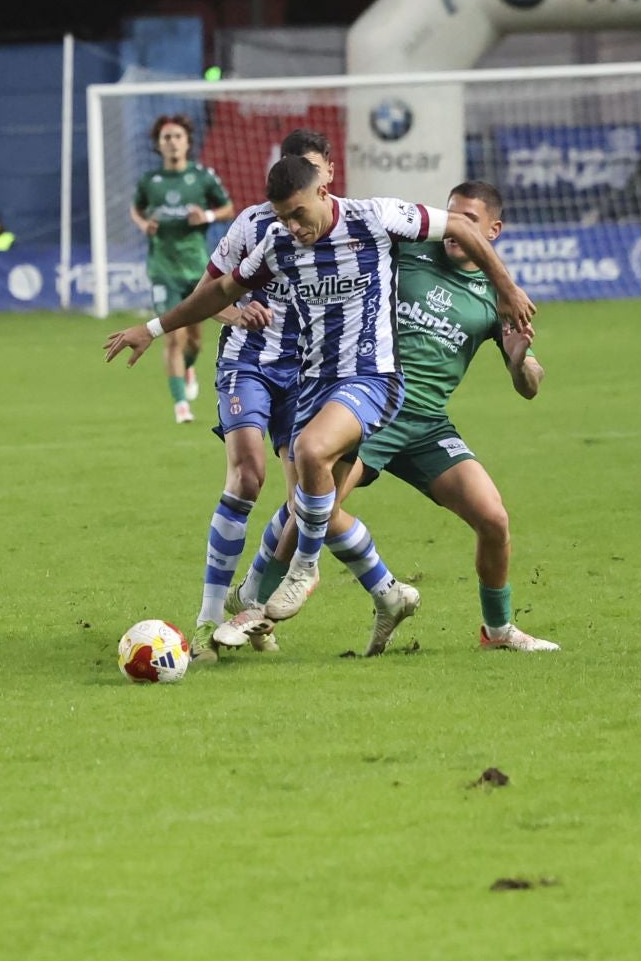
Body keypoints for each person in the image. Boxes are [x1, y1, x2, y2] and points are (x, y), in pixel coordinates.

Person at [106, 155, 534, 655]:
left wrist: (507, 291)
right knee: (309, 502)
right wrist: (153, 328)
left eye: (298, 213)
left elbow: (464, 231)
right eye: (282, 215)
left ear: (324, 190)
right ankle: (284, 599)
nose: (292, 226)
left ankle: (304, 576)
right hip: (317, 385)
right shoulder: (287, 243)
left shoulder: (378, 219)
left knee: (316, 458)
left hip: (379, 385)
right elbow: (220, 291)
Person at [221, 181, 559, 653]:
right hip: (374, 406)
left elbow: (530, 387)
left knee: (494, 519)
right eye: (452, 216)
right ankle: (252, 607)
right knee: (313, 505)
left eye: (470, 222)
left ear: (494, 231)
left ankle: (497, 631)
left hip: (426, 424)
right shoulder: (406, 253)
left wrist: (519, 361)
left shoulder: (494, 298)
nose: (455, 228)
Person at [154, 128, 332, 662]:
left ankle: (251, 603)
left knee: (303, 503)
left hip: (309, 372)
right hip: (247, 363)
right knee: (247, 474)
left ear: (326, 176)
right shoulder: (254, 224)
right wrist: (237, 312)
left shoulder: (350, 230)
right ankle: (209, 619)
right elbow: (206, 294)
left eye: (312, 168)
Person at [130, 113, 235, 423]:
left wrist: (207, 217)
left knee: (194, 340)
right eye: (166, 138)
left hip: (196, 269)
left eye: (177, 136)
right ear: (158, 145)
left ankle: (188, 367)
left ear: (188, 142)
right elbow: (135, 208)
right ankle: (180, 405)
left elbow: (228, 208)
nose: (172, 142)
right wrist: (143, 224)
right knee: (172, 337)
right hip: (163, 268)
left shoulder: (202, 178)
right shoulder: (151, 182)